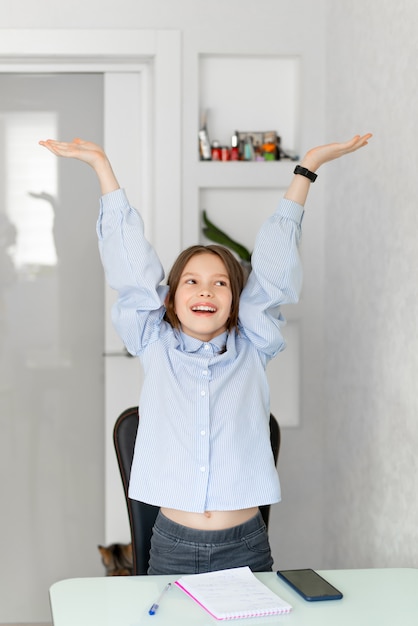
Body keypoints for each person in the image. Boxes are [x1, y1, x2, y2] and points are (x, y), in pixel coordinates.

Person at [40, 133, 372, 574]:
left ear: (236, 301)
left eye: (221, 283)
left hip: (246, 546)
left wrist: (306, 168)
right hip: (173, 544)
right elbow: (130, 268)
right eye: (192, 281)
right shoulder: (153, 344)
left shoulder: (253, 347)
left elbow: (272, 272)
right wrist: (102, 165)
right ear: (171, 299)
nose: (206, 290)